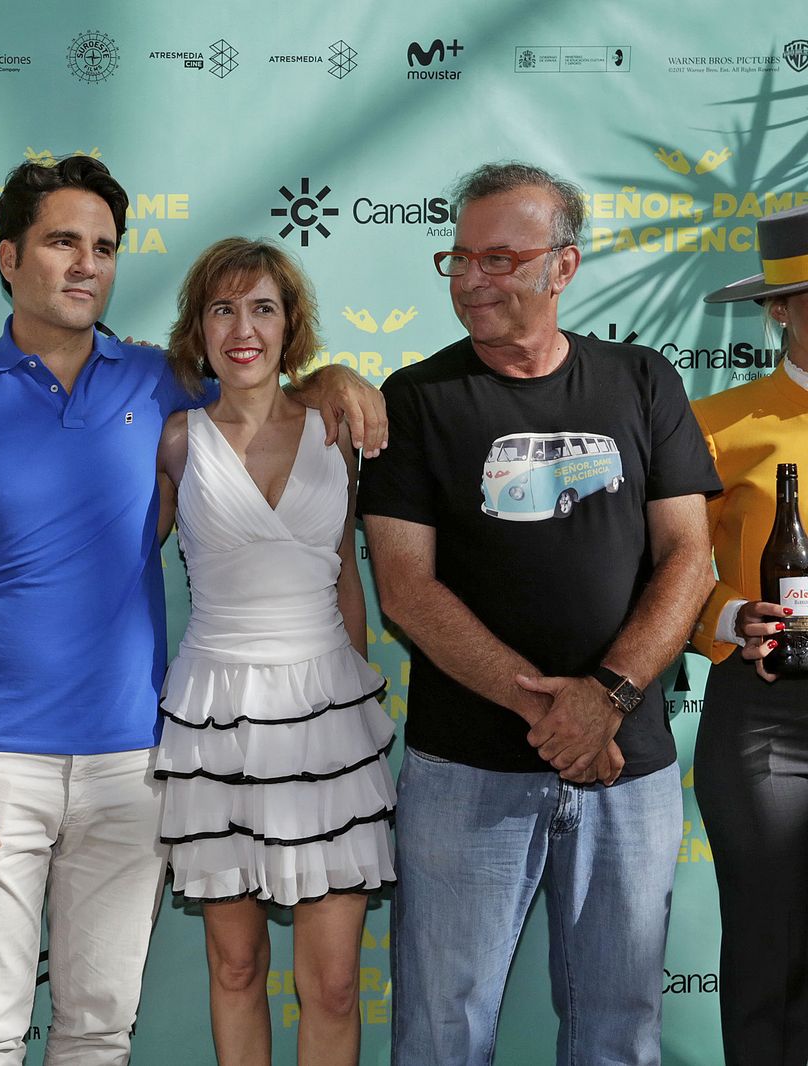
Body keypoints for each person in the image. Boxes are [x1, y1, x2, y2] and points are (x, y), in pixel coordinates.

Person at [0, 154, 384, 1066]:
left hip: (134, 757)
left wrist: (337, 377)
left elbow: (264, 397)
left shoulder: (160, 384)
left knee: (99, 1029)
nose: (85, 264)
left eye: (104, 247)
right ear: (8, 257)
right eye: (61, 242)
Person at [357, 161, 719, 1065]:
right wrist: (553, 714)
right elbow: (404, 588)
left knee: (618, 1029)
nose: (471, 280)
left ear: (563, 267)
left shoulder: (642, 381)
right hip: (466, 773)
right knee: (444, 1028)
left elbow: (689, 558)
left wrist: (609, 697)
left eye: (500, 260)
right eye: (459, 259)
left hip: (626, 771)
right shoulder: (415, 398)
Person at [153, 238, 395, 1066]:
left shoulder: (340, 426)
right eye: (222, 308)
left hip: (328, 720)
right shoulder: (176, 441)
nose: (242, 327)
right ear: (199, 327)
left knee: (331, 984)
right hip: (214, 719)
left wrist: (359, 705)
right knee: (237, 965)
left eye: (262, 307)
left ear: (291, 324)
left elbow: (345, 580)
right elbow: (107, 562)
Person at [689, 203, 808, 1066]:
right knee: (771, 947)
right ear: (778, 309)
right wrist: (731, 616)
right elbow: (664, 574)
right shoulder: (717, 423)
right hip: (765, 717)